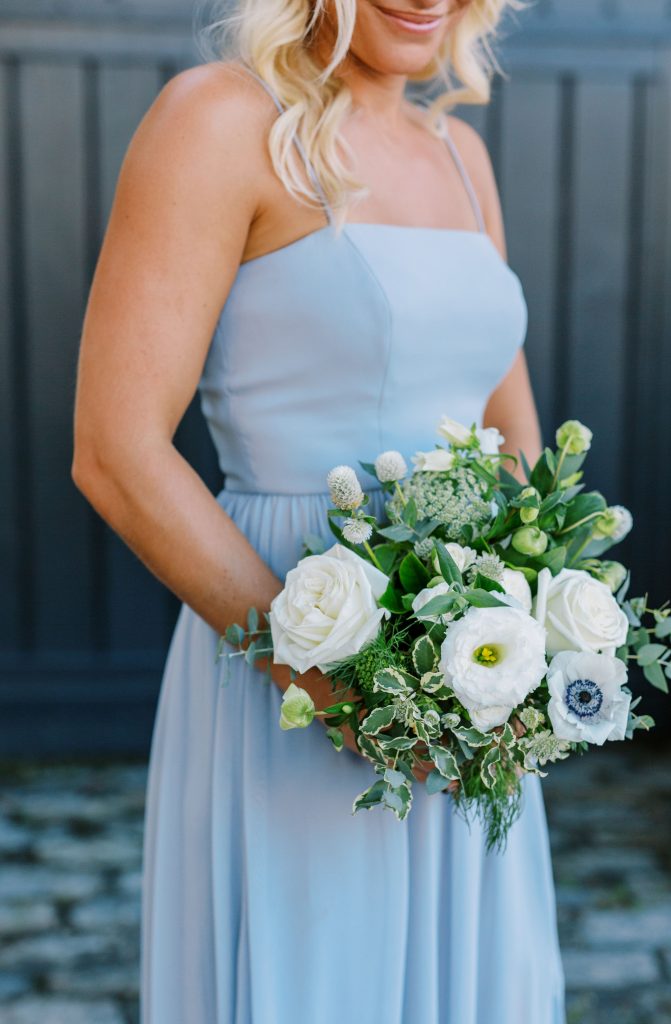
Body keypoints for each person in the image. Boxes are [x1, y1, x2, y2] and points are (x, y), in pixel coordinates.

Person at [72, 0, 566, 1019]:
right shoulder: (216, 120)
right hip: (287, 658)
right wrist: (331, 677)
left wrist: (521, 633)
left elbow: (516, 440)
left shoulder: (463, 156)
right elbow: (115, 451)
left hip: (465, 670)